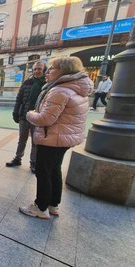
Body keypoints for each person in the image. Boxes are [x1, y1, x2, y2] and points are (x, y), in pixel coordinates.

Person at [19, 56, 93, 219]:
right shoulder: (76, 88)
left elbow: (45, 119)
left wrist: (30, 114)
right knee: (54, 169)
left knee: (43, 171)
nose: (47, 72)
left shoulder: (60, 90)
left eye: (51, 69)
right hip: (63, 137)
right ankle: (53, 204)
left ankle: (40, 207)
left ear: (62, 71)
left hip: (52, 137)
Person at [6, 61, 46, 173]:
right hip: (24, 116)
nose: (37, 71)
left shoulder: (46, 84)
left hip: (38, 118)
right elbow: (19, 99)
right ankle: (17, 158)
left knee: (35, 141)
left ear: (44, 70)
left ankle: (33, 163)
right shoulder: (26, 82)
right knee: (21, 139)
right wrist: (15, 112)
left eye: (39, 69)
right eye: (35, 69)